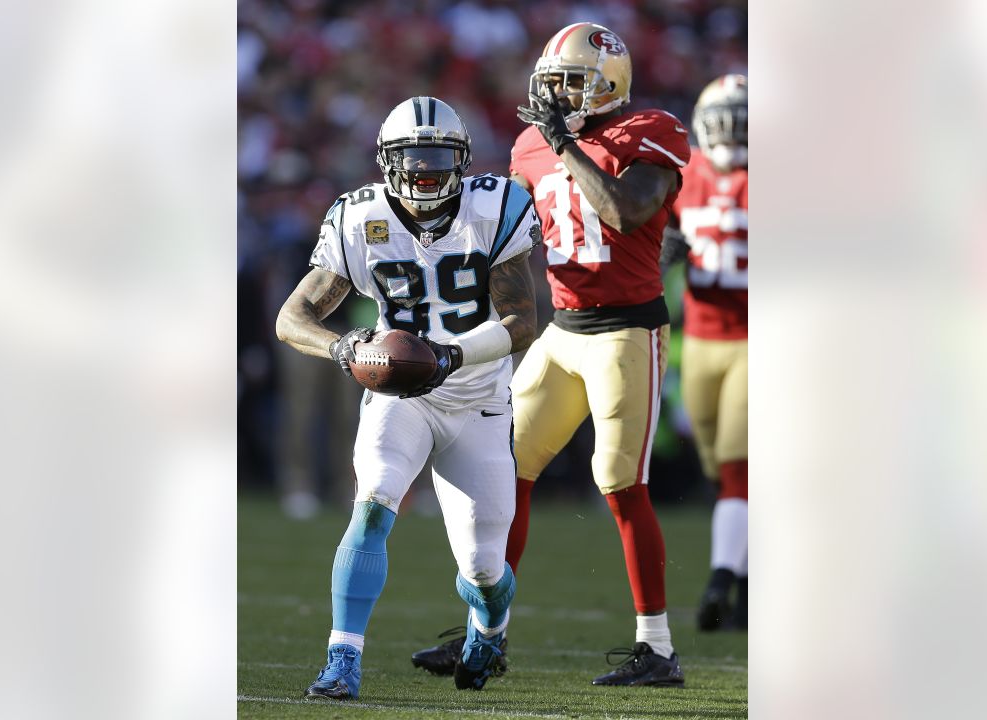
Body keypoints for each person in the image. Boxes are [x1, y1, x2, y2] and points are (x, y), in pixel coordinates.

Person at [411, 22, 690, 687]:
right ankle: (486, 633)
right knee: (503, 474)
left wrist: (566, 143)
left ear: (610, 83)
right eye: (553, 82)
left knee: (620, 482)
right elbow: (504, 233)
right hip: (563, 333)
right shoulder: (530, 145)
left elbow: (625, 212)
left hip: (627, 331)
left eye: (574, 82)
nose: (558, 95)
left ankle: (657, 647)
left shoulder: (650, 129)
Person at [275, 96, 541, 699]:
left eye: (438, 157)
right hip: (403, 395)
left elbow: (524, 319)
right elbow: (292, 317)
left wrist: (451, 355)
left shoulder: (494, 207)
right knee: (372, 503)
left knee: (483, 568)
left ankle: (488, 629)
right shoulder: (359, 217)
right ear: (385, 161)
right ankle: (342, 659)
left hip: (477, 398)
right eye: (411, 157)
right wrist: (345, 349)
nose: (425, 170)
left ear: (463, 161)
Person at [663, 74, 749, 631]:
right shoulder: (682, 178)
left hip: (754, 340)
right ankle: (744, 574)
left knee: (741, 467)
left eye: (740, 120)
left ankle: (723, 578)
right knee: (719, 467)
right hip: (698, 339)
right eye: (723, 120)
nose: (730, 132)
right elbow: (660, 239)